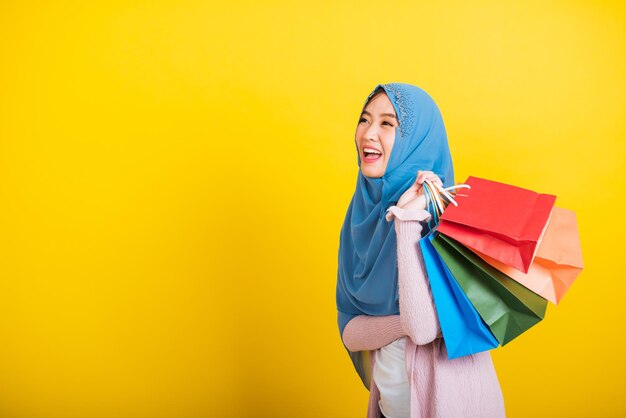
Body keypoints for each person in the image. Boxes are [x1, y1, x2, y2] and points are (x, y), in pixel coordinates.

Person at [336, 83, 506, 418]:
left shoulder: (447, 225)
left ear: (418, 142)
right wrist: (402, 324)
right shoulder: (361, 219)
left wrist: (407, 220)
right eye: (365, 119)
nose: (369, 133)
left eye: (387, 124)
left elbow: (423, 329)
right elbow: (350, 332)